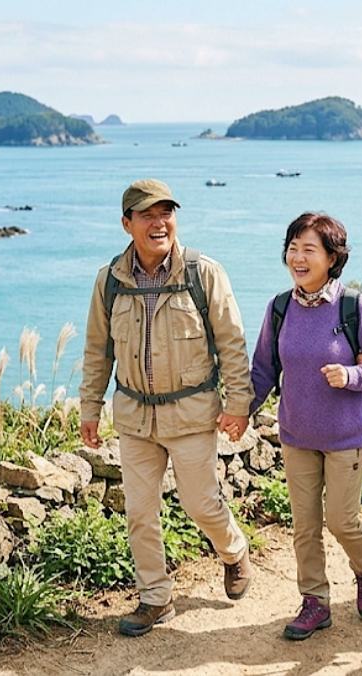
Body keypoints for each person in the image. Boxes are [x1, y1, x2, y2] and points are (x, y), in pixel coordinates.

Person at [79, 179, 255, 637]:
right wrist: (90, 408)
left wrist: (239, 403)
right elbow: (98, 350)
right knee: (140, 511)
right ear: (127, 224)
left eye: (166, 213)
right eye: (147, 215)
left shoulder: (203, 272)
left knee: (201, 504)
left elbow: (231, 343)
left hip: (192, 413)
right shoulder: (110, 280)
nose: (160, 223)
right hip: (134, 417)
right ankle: (155, 598)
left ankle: (234, 551)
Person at [248, 212, 362, 641]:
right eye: (293, 248)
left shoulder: (354, 307)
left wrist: (351, 376)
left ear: (332, 258)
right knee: (305, 526)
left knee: (341, 521)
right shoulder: (279, 308)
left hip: (347, 435)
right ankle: (315, 601)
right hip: (297, 435)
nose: (298, 257)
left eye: (309, 249)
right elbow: (263, 369)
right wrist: (240, 410)